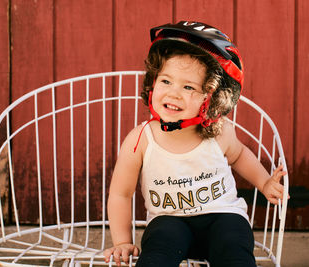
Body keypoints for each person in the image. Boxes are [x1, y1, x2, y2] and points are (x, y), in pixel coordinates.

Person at [103, 21, 287, 267]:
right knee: (157, 249)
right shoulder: (139, 140)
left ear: (211, 100)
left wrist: (264, 183)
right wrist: (122, 241)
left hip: (223, 217)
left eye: (188, 86)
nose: (173, 93)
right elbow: (120, 194)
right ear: (152, 83)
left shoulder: (218, 134)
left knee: (234, 247)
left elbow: (240, 156)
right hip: (169, 222)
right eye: (166, 81)